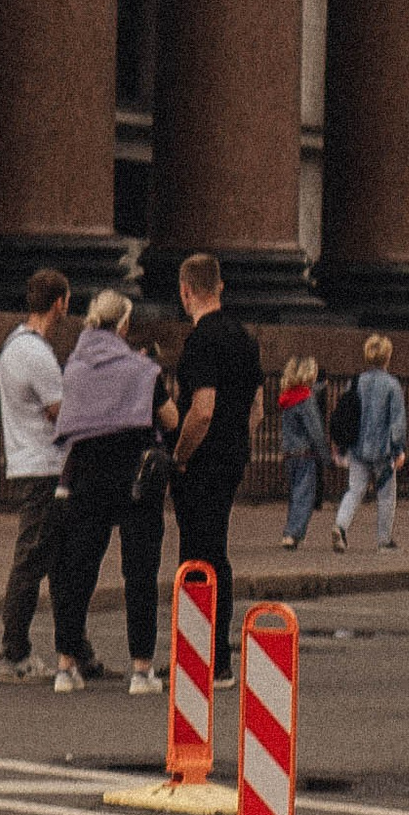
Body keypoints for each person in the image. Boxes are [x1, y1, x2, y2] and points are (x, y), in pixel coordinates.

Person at [48, 291, 168, 694]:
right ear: (123, 326)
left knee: (78, 569)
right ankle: (141, 669)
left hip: (86, 475)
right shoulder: (141, 369)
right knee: (139, 573)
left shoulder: (75, 369)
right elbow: (169, 417)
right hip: (134, 474)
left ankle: (65, 666)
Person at [165, 255, 260, 679]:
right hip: (232, 457)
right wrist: (239, 442)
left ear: (186, 291)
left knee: (197, 559)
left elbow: (201, 409)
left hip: (202, 463)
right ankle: (215, 656)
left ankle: (203, 658)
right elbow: (256, 407)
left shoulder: (202, 339)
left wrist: (181, 456)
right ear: (219, 286)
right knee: (217, 555)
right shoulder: (243, 337)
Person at [0, 268, 72, 679]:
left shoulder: (13, 344)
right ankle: (16, 652)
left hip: (27, 462)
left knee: (56, 560)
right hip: (43, 466)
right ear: (59, 302)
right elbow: (62, 412)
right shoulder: (37, 354)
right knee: (33, 559)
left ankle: (73, 648)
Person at [331, 333, 409, 552]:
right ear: (387, 357)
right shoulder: (392, 385)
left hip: (357, 448)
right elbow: (397, 422)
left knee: (354, 490)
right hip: (383, 450)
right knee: (386, 495)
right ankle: (384, 540)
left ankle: (340, 525)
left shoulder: (356, 382)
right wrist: (399, 449)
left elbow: (347, 413)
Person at [276, 356, 329, 550]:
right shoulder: (306, 399)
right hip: (306, 453)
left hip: (290, 452)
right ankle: (292, 533)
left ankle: (291, 530)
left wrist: (319, 388)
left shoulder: (289, 397)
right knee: (304, 495)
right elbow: (315, 430)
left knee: (295, 494)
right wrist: (325, 455)